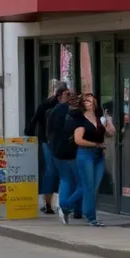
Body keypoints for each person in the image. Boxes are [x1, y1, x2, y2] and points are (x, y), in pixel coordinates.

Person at [72, 92, 115, 227]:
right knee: (89, 187)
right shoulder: (80, 120)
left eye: (90, 100)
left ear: (94, 103)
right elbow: (78, 140)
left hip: (98, 156)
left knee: (93, 187)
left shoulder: (99, 119)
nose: (87, 102)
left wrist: (108, 121)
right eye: (85, 101)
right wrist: (95, 144)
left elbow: (111, 133)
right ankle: (91, 217)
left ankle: (67, 206)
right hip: (85, 155)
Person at [28, 82, 68, 215]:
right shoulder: (48, 105)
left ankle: (50, 203)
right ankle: (52, 203)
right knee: (57, 172)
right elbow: (34, 122)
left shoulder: (46, 105)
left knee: (52, 172)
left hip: (49, 141)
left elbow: (33, 122)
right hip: (51, 142)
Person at [47, 88, 81, 223]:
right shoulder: (74, 113)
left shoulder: (53, 111)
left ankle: (65, 206)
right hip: (72, 151)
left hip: (57, 151)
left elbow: (49, 131)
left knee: (65, 179)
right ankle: (69, 207)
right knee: (81, 183)